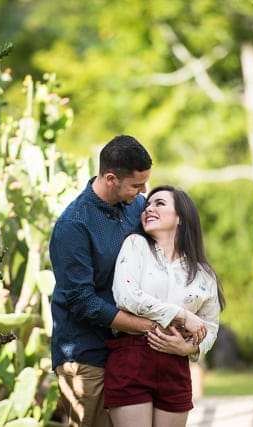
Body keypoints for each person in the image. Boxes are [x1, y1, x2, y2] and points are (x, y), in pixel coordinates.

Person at [51, 135, 180, 427]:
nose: (144, 192)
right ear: (111, 178)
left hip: (131, 351)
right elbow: (82, 302)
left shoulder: (137, 208)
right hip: (86, 354)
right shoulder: (74, 225)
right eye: (137, 185)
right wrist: (152, 326)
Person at [104, 184, 226, 427]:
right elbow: (126, 296)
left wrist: (189, 349)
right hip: (132, 357)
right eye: (147, 205)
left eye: (159, 203)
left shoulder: (204, 274)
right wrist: (180, 316)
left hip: (176, 367)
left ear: (181, 217)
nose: (149, 209)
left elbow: (210, 327)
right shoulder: (136, 245)